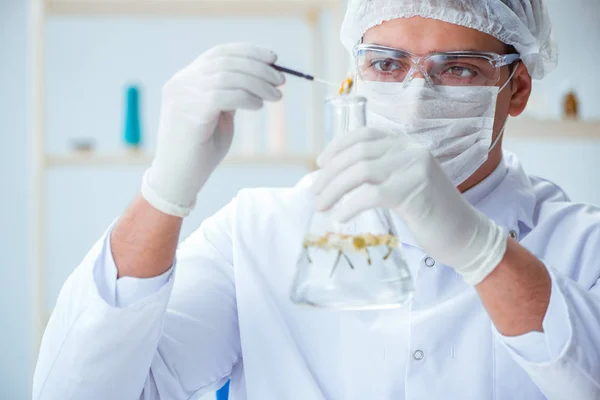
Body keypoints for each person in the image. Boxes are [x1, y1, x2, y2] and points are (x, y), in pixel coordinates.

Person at [33, 0, 600, 399]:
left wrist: (481, 250)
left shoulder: (582, 244)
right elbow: (84, 391)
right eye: (386, 63)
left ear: (518, 88)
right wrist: (164, 191)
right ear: (355, 75)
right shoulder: (260, 232)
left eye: (458, 68)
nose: (415, 94)